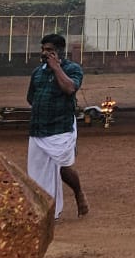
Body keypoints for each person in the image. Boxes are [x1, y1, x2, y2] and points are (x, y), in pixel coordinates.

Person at [26, 33, 88, 220]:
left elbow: (70, 89)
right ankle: (45, 210)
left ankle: (78, 193)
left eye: (50, 50)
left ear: (60, 51)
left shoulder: (73, 69)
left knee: (63, 167)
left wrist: (56, 68)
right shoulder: (37, 72)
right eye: (43, 50)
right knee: (36, 173)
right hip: (38, 129)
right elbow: (30, 98)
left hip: (61, 128)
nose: (45, 53)